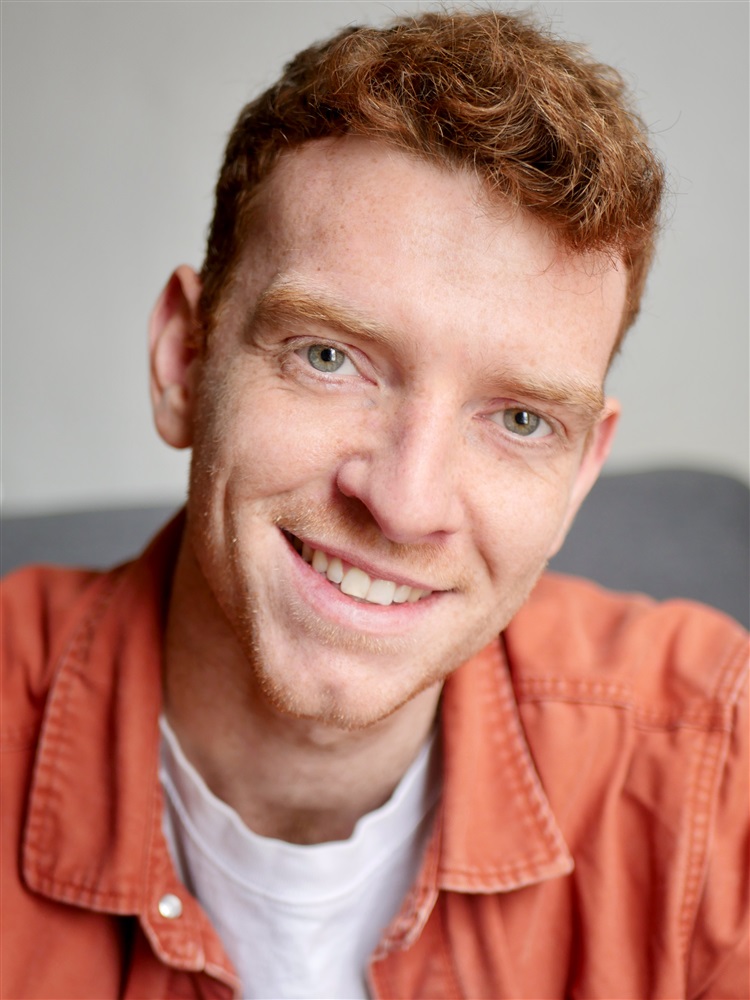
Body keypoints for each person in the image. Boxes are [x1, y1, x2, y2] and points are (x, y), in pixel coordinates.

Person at [2, 8, 747, 999]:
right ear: (184, 359)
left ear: (580, 473)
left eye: (521, 419)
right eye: (328, 356)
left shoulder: (712, 763)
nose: (403, 502)